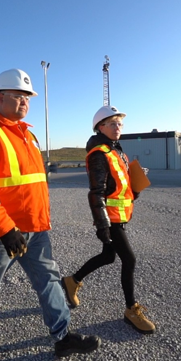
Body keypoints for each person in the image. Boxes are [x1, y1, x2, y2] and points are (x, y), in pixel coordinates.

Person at [0, 69, 101, 361]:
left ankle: (62, 336)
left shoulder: (28, 134)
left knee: (49, 281)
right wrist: (5, 229)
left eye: (27, 97)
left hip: (36, 228)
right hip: (4, 233)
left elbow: (32, 184)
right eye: (17, 95)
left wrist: (40, 219)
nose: (24, 101)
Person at [61, 105, 156, 335]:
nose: (117, 127)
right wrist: (102, 225)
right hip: (109, 220)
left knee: (108, 256)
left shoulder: (119, 153)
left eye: (120, 123)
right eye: (112, 123)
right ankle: (131, 309)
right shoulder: (99, 155)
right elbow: (96, 192)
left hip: (119, 216)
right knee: (129, 260)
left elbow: (124, 190)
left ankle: (72, 281)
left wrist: (138, 182)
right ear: (100, 127)